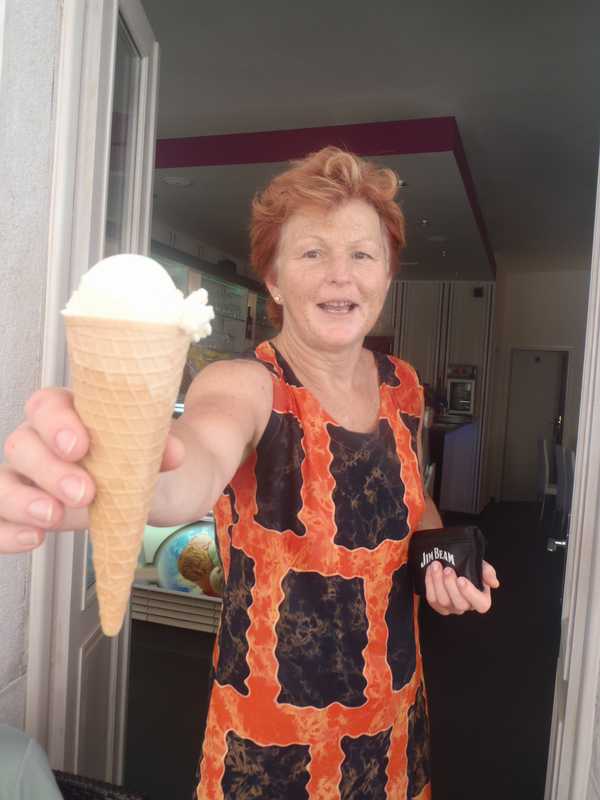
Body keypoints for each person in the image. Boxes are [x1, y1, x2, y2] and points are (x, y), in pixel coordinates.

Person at [0, 147, 499, 799]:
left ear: (386, 274)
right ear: (274, 279)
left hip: (394, 717)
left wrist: (442, 558)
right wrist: (103, 475)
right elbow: (189, 469)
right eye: (312, 252)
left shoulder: (401, 384)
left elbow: (415, 500)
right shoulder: (246, 384)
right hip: (271, 746)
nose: (340, 274)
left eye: (362, 254)